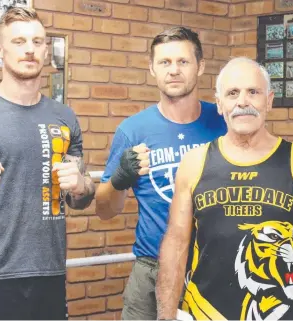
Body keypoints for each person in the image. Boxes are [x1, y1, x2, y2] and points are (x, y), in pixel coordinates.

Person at [0, 7, 95, 320]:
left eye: (38, 42)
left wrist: (82, 185)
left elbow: (81, 198)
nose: (30, 49)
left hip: (49, 276)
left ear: (46, 48)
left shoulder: (64, 117)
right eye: (20, 41)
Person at [155, 57, 293, 321]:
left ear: (269, 100)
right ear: (219, 104)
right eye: (232, 93)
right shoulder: (195, 162)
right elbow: (175, 243)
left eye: (253, 92)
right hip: (205, 312)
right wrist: (165, 317)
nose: (243, 102)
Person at [94, 27, 227, 320]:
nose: (174, 71)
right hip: (152, 267)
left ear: (200, 66)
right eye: (165, 62)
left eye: (183, 61)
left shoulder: (223, 122)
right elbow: (104, 210)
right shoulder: (133, 131)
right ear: (152, 69)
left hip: (216, 264)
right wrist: (118, 180)